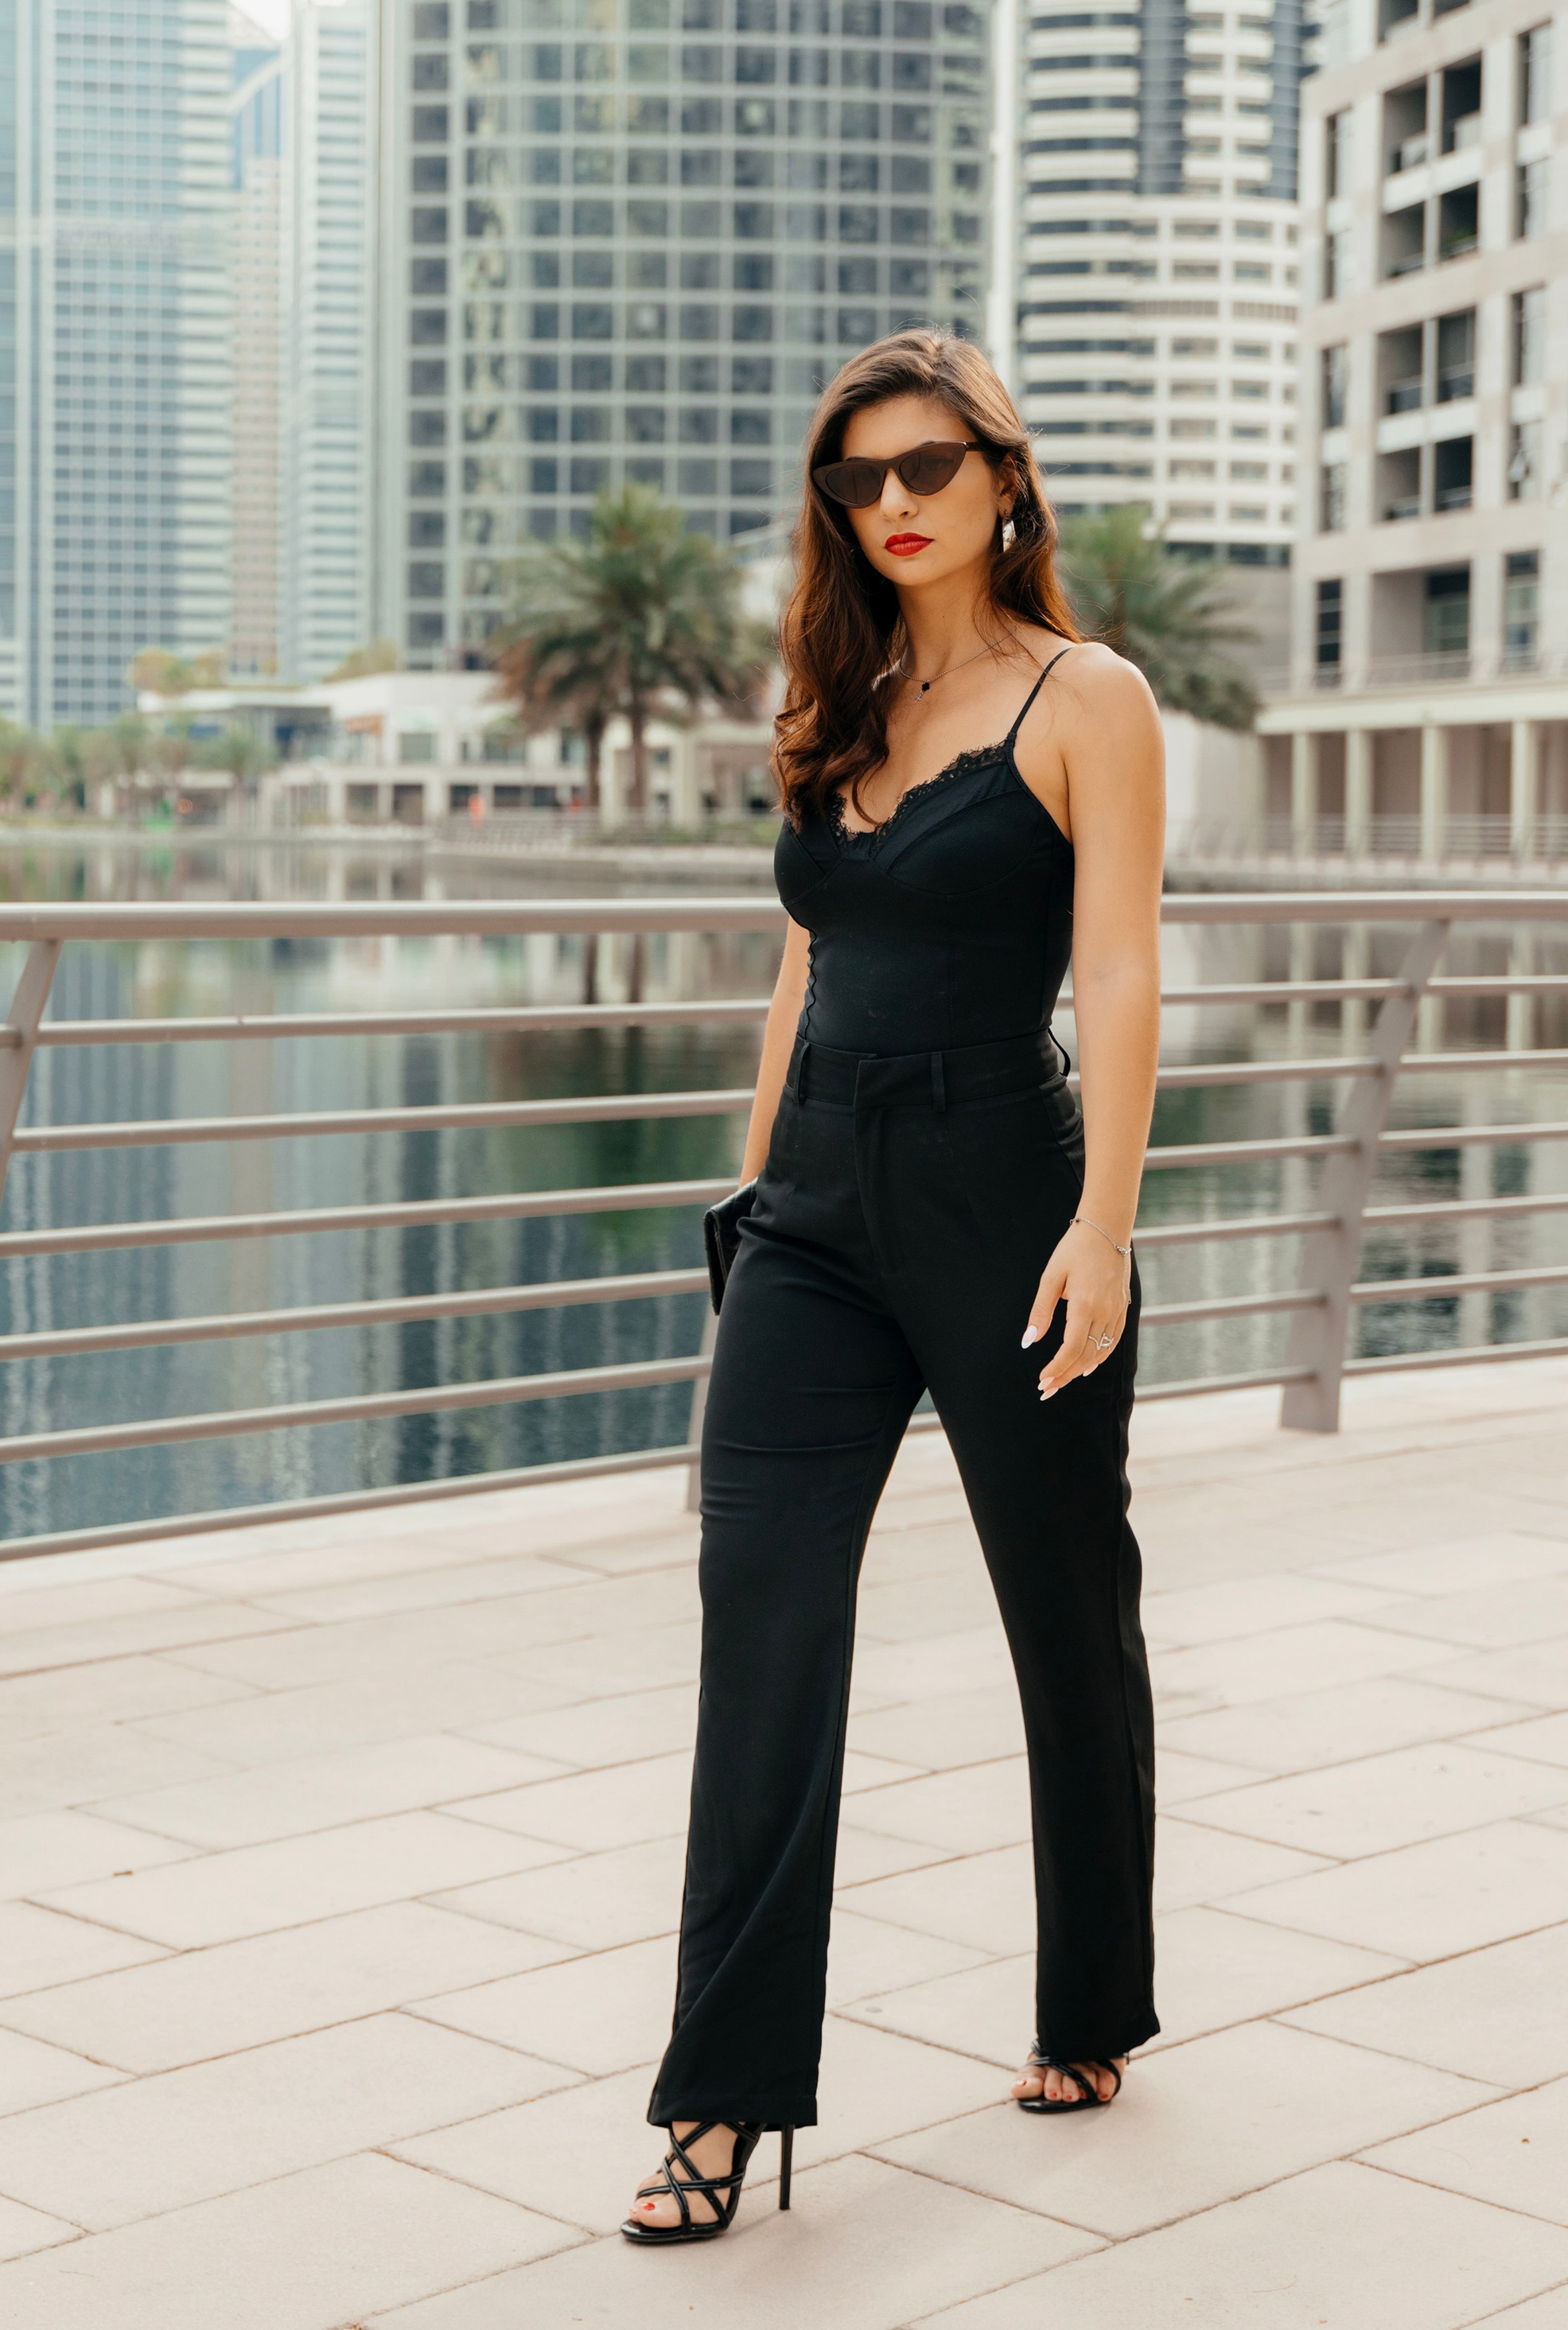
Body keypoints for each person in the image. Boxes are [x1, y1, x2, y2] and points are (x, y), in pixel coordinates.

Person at [624, 329, 1164, 2245]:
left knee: (1058, 1598)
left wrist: (1101, 1219)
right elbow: (799, 956)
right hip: (815, 1220)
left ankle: (1092, 1995)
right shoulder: (831, 691)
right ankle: (719, 2098)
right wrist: (756, 1192)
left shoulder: (1085, 695)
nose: (896, 501)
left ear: (1002, 477)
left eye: (929, 464)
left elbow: (1109, 972)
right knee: (759, 1617)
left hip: (1001, 1197)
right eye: (858, 478)